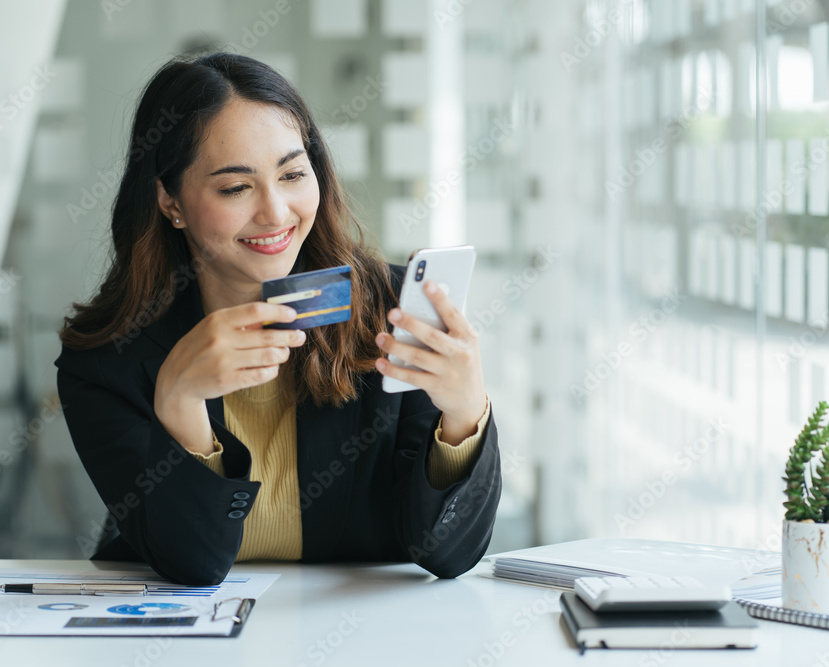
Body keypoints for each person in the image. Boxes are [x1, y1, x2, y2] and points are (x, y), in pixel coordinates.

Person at [54, 52, 500, 586]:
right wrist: (178, 400)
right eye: (235, 188)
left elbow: (446, 554)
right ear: (170, 202)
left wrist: (465, 415)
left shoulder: (394, 309)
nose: (275, 212)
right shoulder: (104, 361)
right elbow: (191, 563)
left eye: (292, 174)